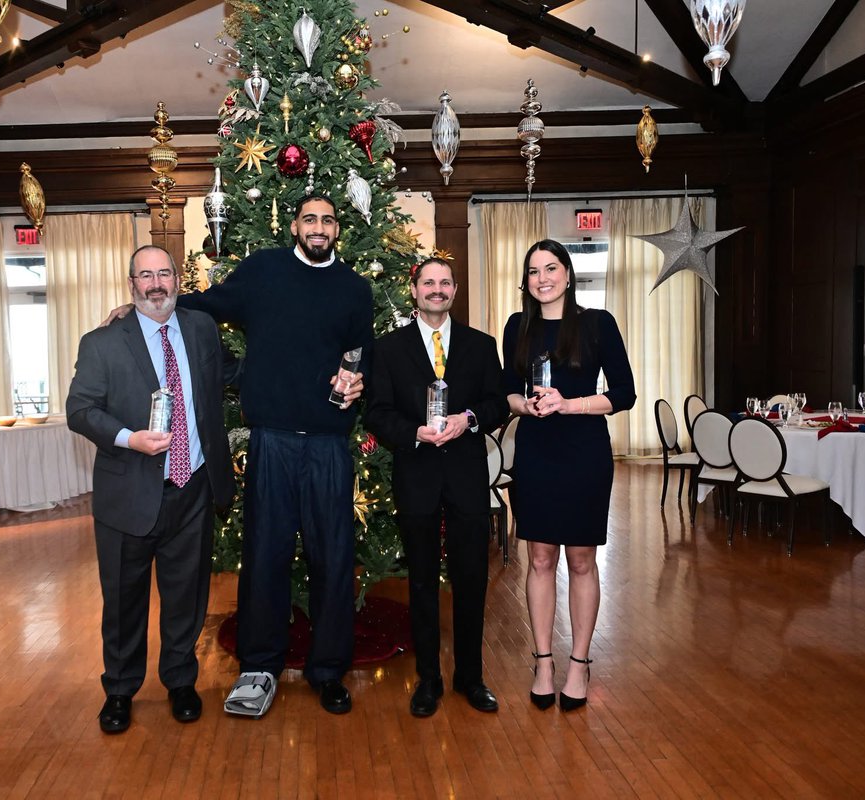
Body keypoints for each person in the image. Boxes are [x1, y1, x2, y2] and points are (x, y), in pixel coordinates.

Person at [107, 195, 372, 716]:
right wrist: (142, 307)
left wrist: (357, 380)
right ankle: (259, 667)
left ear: (337, 230)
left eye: (328, 220)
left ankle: (328, 670)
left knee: (334, 562)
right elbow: (208, 303)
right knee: (265, 558)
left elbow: (361, 353)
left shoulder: (354, 289)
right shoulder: (264, 270)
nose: (319, 228)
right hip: (271, 440)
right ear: (295, 225)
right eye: (310, 218)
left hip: (328, 445)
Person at [67, 245, 233, 734]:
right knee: (124, 599)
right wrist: (128, 438)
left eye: (164, 273)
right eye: (146, 275)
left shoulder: (201, 329)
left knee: (187, 595)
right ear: (131, 283)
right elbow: (80, 410)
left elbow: (226, 381)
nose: (156, 283)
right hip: (129, 495)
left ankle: (181, 681)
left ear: (178, 279)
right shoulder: (101, 343)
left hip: (193, 487)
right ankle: (119, 689)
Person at [364, 258, 508, 717]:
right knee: (422, 581)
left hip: (467, 475)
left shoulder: (481, 345)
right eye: (429, 282)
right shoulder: (388, 349)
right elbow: (377, 412)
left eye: (445, 282)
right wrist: (415, 432)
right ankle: (429, 679)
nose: (437, 289)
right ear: (414, 290)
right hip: (417, 474)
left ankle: (471, 676)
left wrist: (468, 419)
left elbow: (497, 404)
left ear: (455, 289)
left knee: (472, 578)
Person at [501, 239, 635, 712]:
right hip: (535, 451)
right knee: (539, 559)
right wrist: (527, 404)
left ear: (568, 273)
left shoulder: (597, 323)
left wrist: (569, 404)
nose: (543, 278)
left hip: (583, 452)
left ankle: (578, 663)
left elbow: (624, 393)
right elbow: (506, 394)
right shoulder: (518, 326)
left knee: (580, 560)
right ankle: (543, 662)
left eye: (551, 268)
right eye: (534, 271)